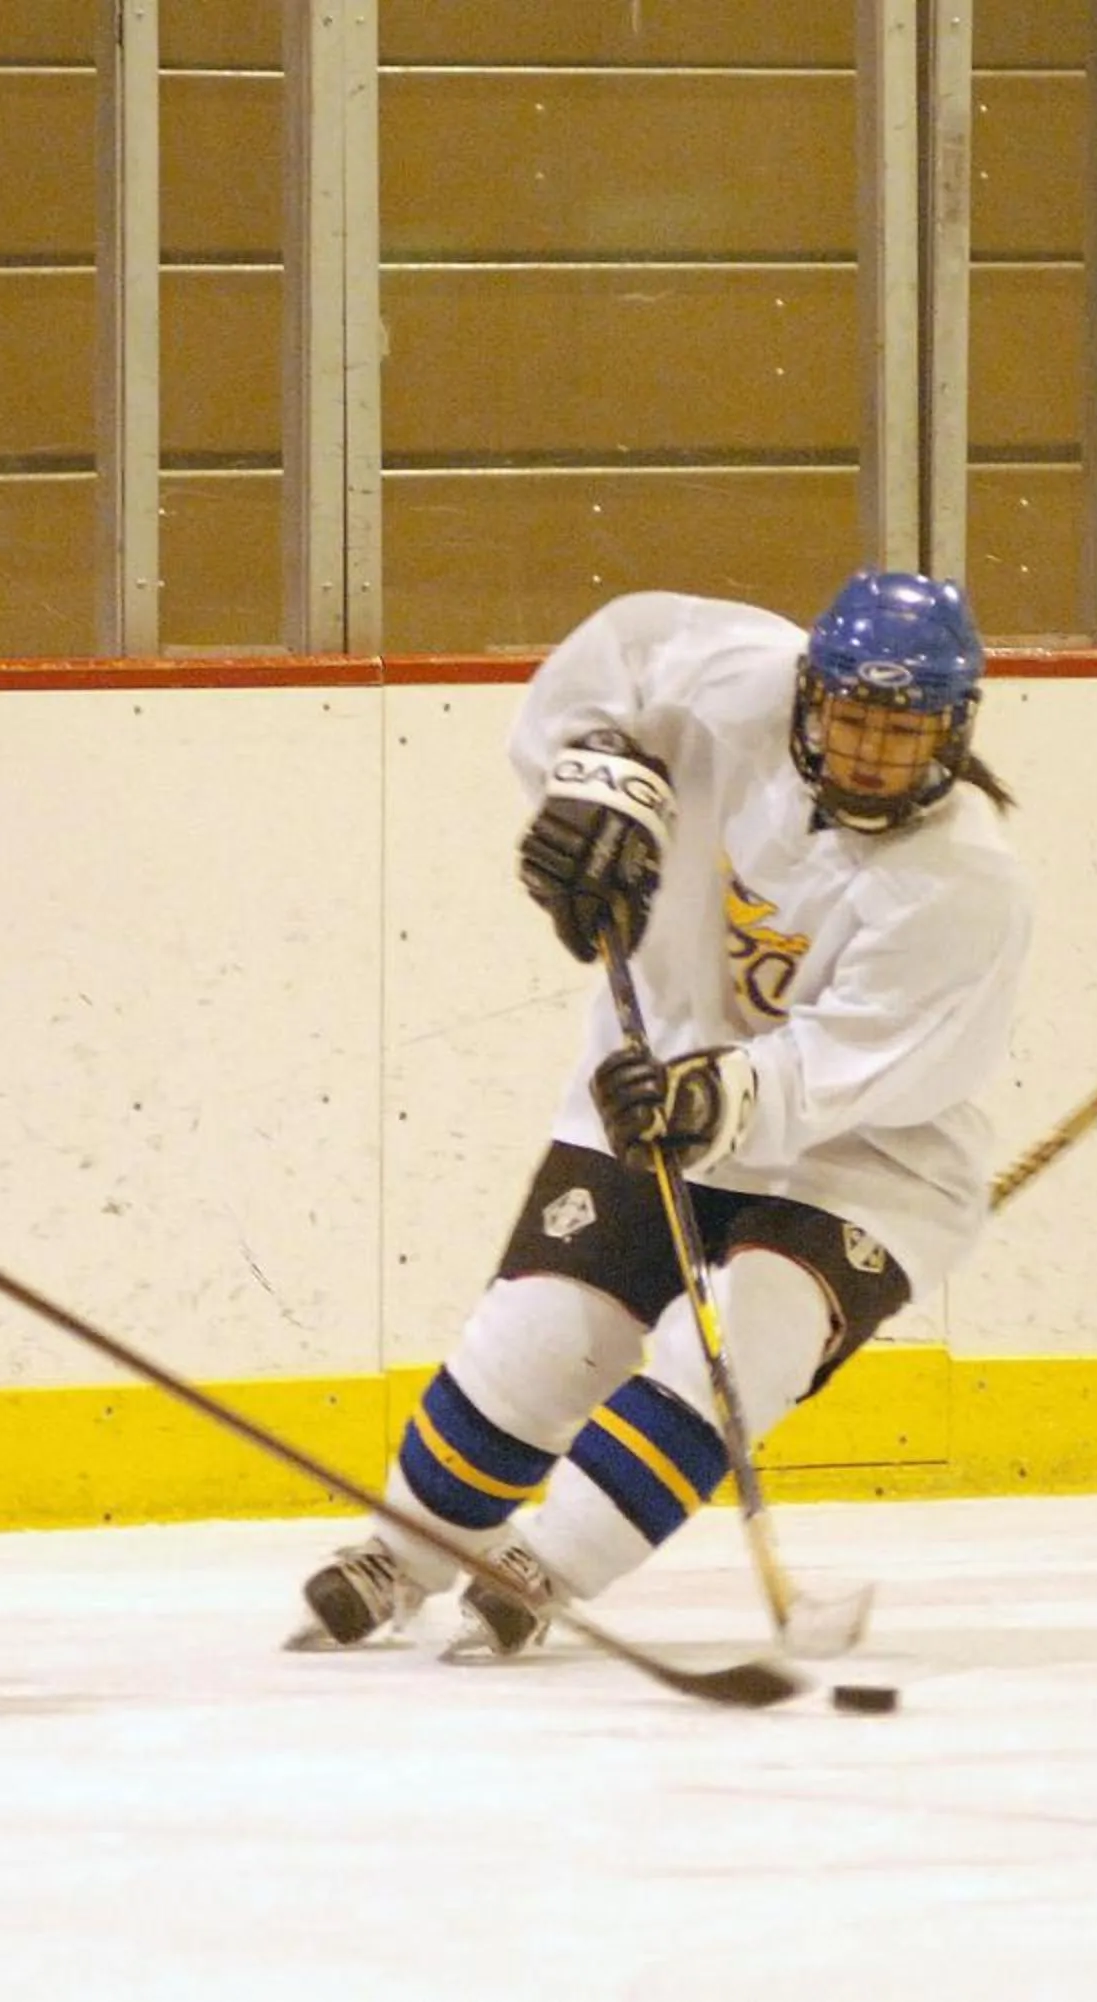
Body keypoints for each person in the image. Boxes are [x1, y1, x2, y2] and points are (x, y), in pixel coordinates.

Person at [288, 571, 1030, 1656]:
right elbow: (606, 666)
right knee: (546, 1340)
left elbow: (863, 1069)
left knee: (744, 1334)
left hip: (865, 1160)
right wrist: (585, 774)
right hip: (652, 1085)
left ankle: (550, 1565)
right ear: (809, 695)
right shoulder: (732, 678)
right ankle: (399, 1554)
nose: (871, 750)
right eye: (852, 717)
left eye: (903, 730)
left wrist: (717, 1094)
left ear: (955, 733)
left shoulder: (965, 882)